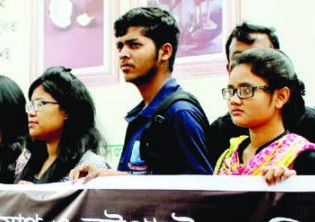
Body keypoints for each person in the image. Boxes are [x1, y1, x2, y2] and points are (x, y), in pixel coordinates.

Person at [73, 6, 212, 182]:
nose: (123, 54)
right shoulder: (140, 115)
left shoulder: (180, 112)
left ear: (165, 52)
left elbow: (202, 189)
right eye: (120, 46)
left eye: (134, 45)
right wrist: (110, 177)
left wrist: (125, 179)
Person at [205, 22, 315, 161]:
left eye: (260, 58)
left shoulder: (311, 124)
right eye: (239, 59)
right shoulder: (220, 132)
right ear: (229, 69)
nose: (246, 66)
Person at [214, 48, 315, 183]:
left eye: (246, 90)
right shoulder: (229, 156)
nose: (234, 100)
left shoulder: (304, 159)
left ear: (281, 97)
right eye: (231, 91)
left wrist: (290, 187)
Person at [17, 67, 109, 183]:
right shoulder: (30, 162)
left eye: (40, 104)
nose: (31, 113)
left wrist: (37, 197)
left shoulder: (88, 165)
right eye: (31, 105)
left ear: (66, 110)